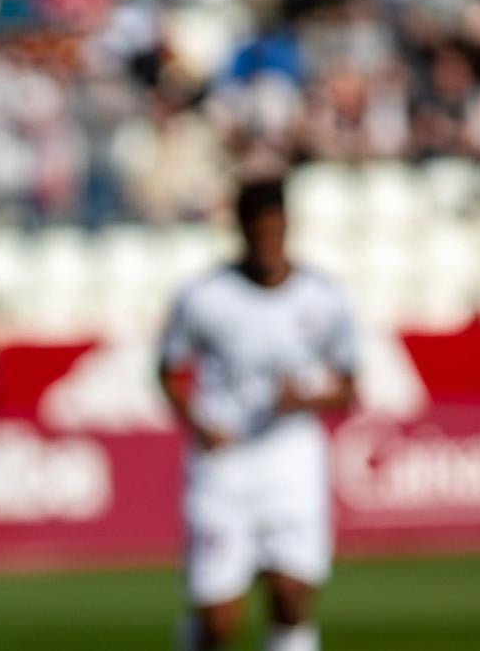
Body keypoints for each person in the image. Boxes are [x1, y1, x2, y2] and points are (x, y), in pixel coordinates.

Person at [158, 179, 357, 651]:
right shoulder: (204, 296)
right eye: (258, 232)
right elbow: (168, 372)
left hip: (290, 458)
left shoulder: (323, 296)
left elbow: (349, 386)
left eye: (275, 231)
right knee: (218, 622)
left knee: (290, 597)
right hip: (224, 463)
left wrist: (306, 400)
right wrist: (200, 424)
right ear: (242, 231)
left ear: (287, 227)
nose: (268, 244)